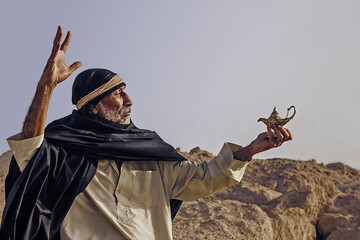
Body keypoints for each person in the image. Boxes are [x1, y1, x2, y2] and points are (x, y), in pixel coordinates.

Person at [0, 26, 292, 240]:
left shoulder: (149, 150)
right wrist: (46, 89)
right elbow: (30, 149)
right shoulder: (64, 153)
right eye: (118, 94)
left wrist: (250, 150)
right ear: (93, 107)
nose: (129, 101)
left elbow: (204, 178)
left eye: (126, 92)